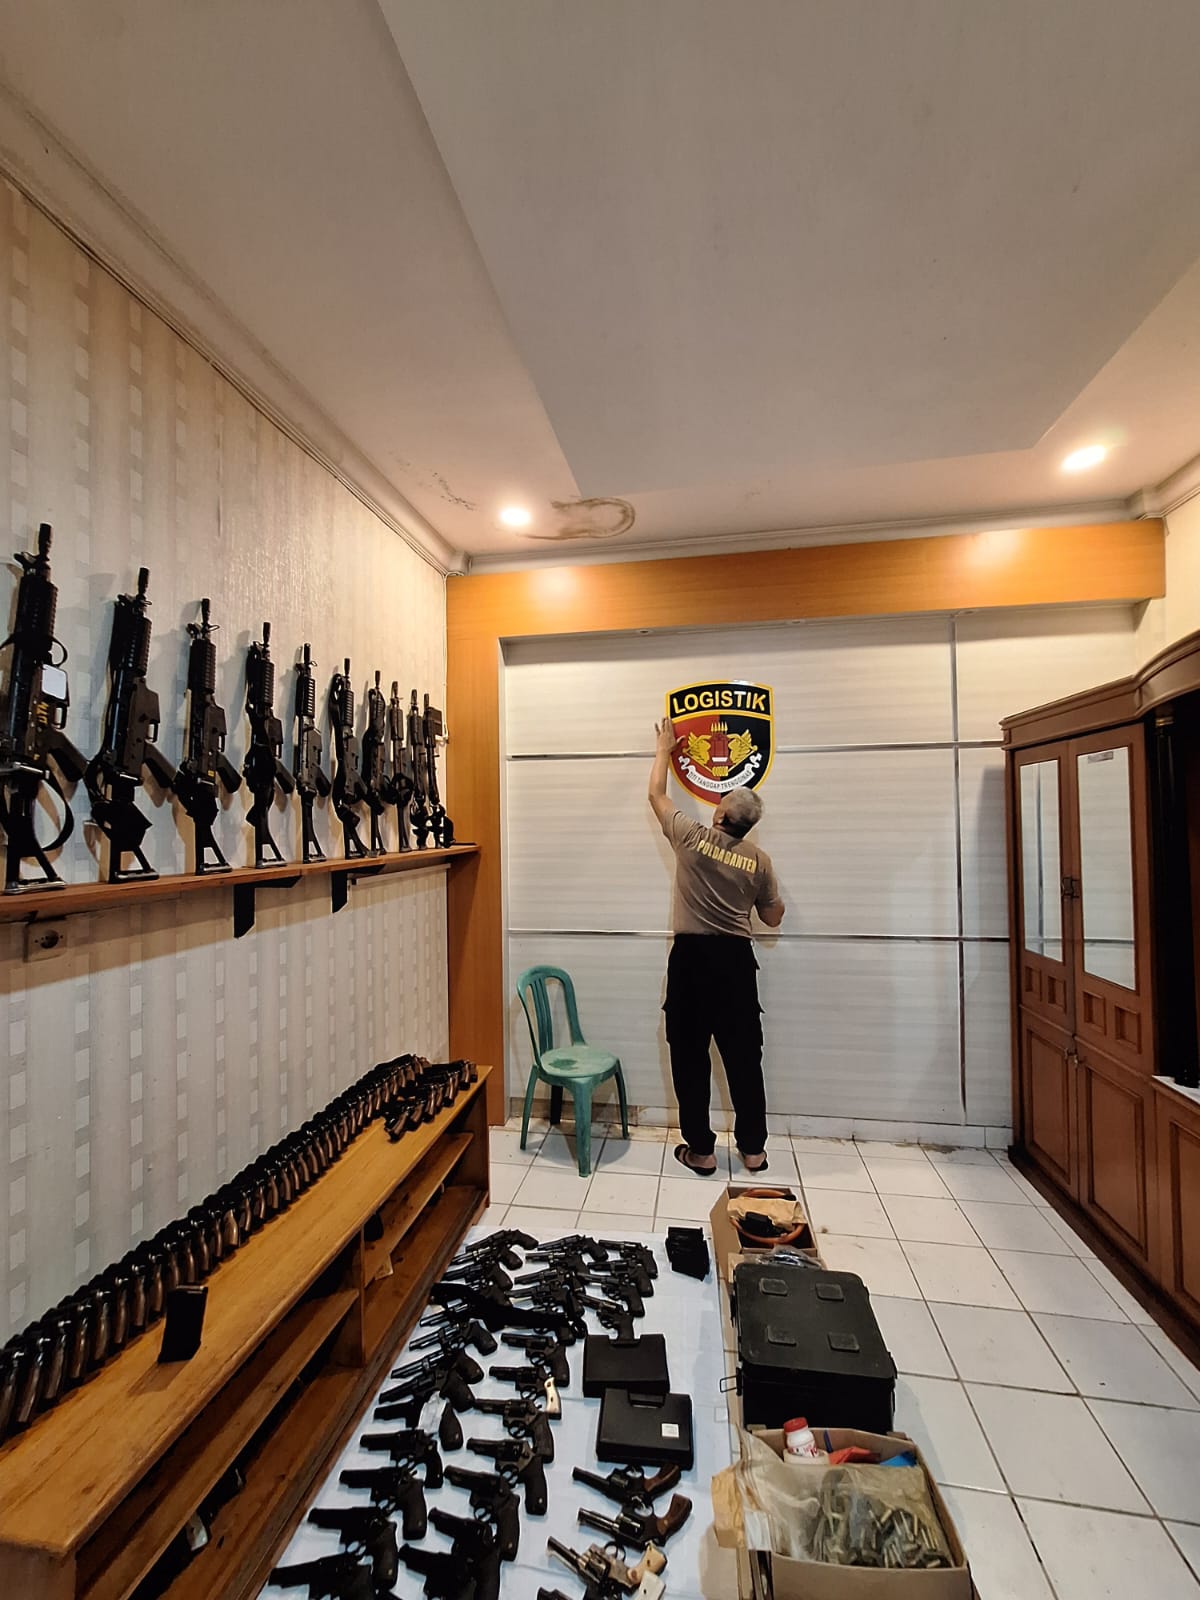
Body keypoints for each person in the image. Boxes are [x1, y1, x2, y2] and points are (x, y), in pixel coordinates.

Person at [649, 719, 785, 1175]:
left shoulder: (692, 838)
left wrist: (664, 750)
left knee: (690, 1058)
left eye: (719, 804)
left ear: (721, 818)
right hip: (735, 965)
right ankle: (754, 1151)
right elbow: (772, 917)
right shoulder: (759, 861)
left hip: (691, 961)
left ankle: (702, 1152)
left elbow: (656, 795)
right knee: (744, 1059)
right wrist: (772, 901)